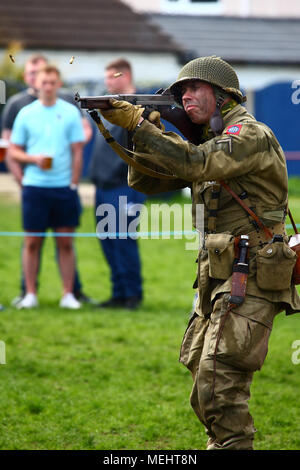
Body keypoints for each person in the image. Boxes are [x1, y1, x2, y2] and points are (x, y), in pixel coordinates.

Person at [96, 56, 300, 449]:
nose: (185, 96)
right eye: (180, 92)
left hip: (254, 271)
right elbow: (145, 180)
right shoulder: (207, 139)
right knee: (202, 375)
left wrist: (139, 122)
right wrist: (147, 131)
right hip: (218, 273)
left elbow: (195, 164)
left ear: (223, 95)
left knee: (219, 380)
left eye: (193, 89)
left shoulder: (247, 135)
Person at [1, 53, 94, 306]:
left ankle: (68, 294)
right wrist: (32, 160)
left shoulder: (70, 112)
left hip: (64, 188)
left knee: (65, 243)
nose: (49, 86)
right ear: (37, 83)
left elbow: (78, 151)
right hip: (35, 188)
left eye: (53, 82)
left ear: (58, 83)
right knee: (32, 242)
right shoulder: (25, 113)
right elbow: (13, 150)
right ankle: (30, 294)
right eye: (44, 82)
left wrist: (74, 183)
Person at [89, 58, 145, 310]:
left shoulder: (136, 108)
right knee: (108, 240)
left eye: (113, 75)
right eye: (106, 76)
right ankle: (119, 293)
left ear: (126, 76)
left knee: (123, 239)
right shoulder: (111, 107)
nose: (107, 81)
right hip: (103, 186)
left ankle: (132, 294)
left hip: (124, 186)